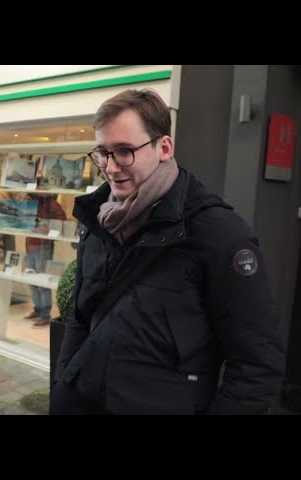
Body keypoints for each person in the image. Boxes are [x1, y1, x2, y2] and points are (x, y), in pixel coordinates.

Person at [51, 88, 285, 415]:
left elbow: (257, 365)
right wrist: (62, 386)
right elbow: (79, 320)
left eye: (125, 151)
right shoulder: (97, 221)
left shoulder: (219, 233)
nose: (111, 167)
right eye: (103, 152)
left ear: (164, 147)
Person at [23, 193, 66, 328]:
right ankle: (38, 309)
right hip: (31, 246)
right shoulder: (34, 204)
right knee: (31, 281)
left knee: (43, 282)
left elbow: (61, 220)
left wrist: (48, 228)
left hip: (43, 247)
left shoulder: (51, 204)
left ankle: (45, 315)